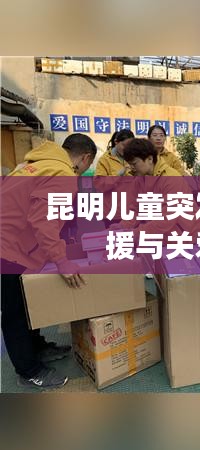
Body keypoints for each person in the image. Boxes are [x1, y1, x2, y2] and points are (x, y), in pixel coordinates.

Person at [1, 134, 97, 389]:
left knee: (28, 302)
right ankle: (28, 370)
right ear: (85, 158)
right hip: (8, 248)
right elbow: (43, 221)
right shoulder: (62, 173)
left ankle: (37, 347)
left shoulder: (37, 163)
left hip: (15, 243)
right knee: (15, 311)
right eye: (87, 167)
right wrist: (62, 261)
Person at [95, 129, 135, 227]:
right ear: (116, 142)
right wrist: (118, 175)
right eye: (124, 145)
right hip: (112, 213)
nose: (127, 149)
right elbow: (99, 185)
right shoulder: (105, 160)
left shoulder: (134, 159)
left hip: (131, 212)